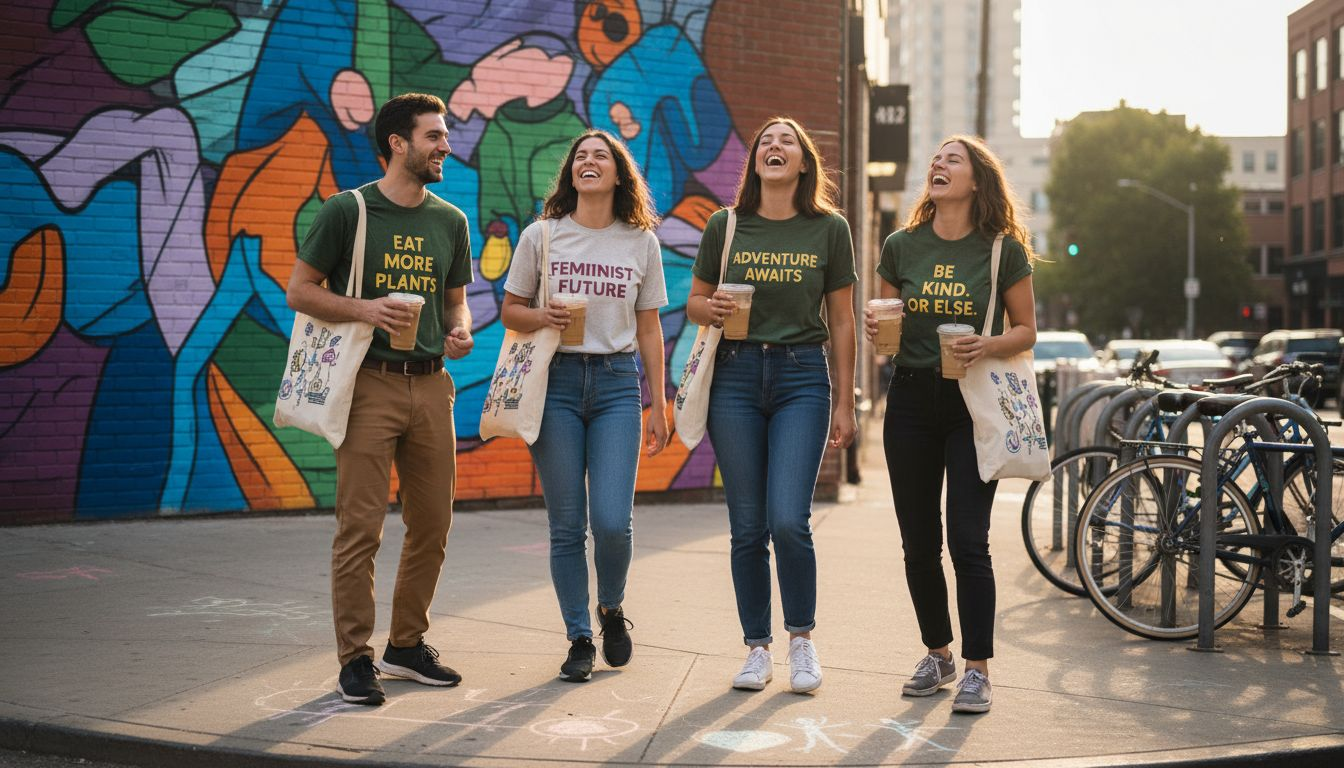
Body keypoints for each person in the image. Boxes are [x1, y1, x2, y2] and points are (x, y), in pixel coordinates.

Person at [286, 92, 475, 705]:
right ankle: (355, 658)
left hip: (431, 385)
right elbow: (299, 290)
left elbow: (454, 299)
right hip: (367, 381)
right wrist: (367, 309)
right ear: (398, 143)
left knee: (434, 525)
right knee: (360, 527)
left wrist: (461, 329)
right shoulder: (349, 211)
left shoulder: (450, 220)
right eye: (434, 136)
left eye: (444, 136)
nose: (446, 145)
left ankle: (407, 646)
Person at [865, 134, 1037, 714]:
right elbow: (887, 322)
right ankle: (937, 653)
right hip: (911, 398)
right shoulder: (900, 246)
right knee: (919, 542)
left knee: (969, 540)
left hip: (973, 403)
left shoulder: (1000, 250)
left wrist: (988, 344)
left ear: (976, 180)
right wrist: (878, 331)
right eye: (935, 159)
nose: (939, 164)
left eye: (952, 159)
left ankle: (977, 669)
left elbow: (1027, 329)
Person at [686, 117, 857, 694]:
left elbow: (841, 320)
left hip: (802, 377)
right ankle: (756, 648)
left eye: (787, 141)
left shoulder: (829, 229)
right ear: (755, 161)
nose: (774, 146)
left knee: (789, 520)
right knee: (747, 527)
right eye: (766, 142)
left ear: (804, 162)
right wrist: (708, 309)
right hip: (734, 377)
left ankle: (802, 641)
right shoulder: (725, 225)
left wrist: (846, 400)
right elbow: (694, 301)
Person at [501, 129, 669, 682]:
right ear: (571, 173)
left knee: (613, 523)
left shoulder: (640, 241)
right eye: (580, 156)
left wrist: (658, 403)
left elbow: (649, 327)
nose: (588, 161)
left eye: (601, 155)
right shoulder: (542, 236)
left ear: (618, 174)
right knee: (567, 526)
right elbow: (510, 311)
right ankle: (578, 636)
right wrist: (542, 317)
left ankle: (611, 607)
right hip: (557, 383)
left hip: (619, 383)